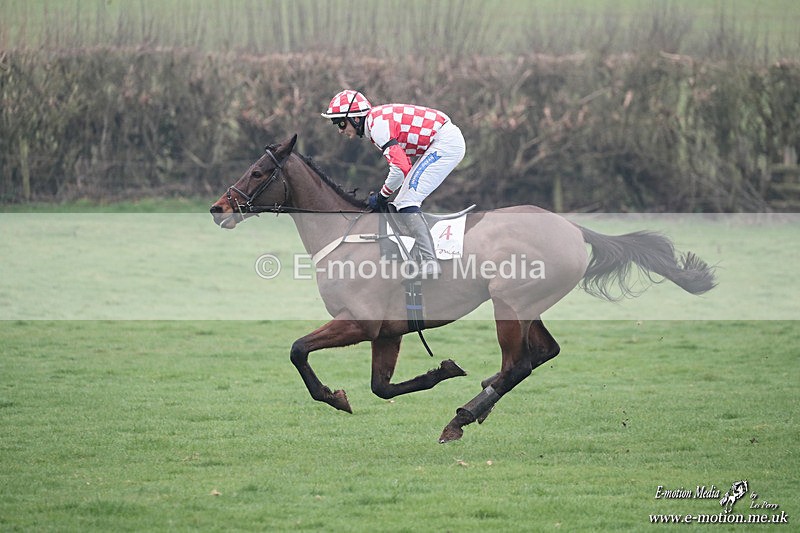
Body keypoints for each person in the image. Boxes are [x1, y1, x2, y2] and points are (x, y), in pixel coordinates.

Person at [321, 89, 466, 277]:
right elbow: (403, 166)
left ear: (356, 118)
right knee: (401, 203)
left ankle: (430, 261)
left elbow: (401, 169)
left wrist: (382, 196)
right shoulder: (375, 123)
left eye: (340, 122)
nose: (340, 130)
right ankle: (418, 254)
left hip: (445, 143)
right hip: (439, 140)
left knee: (406, 202)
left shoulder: (378, 127)